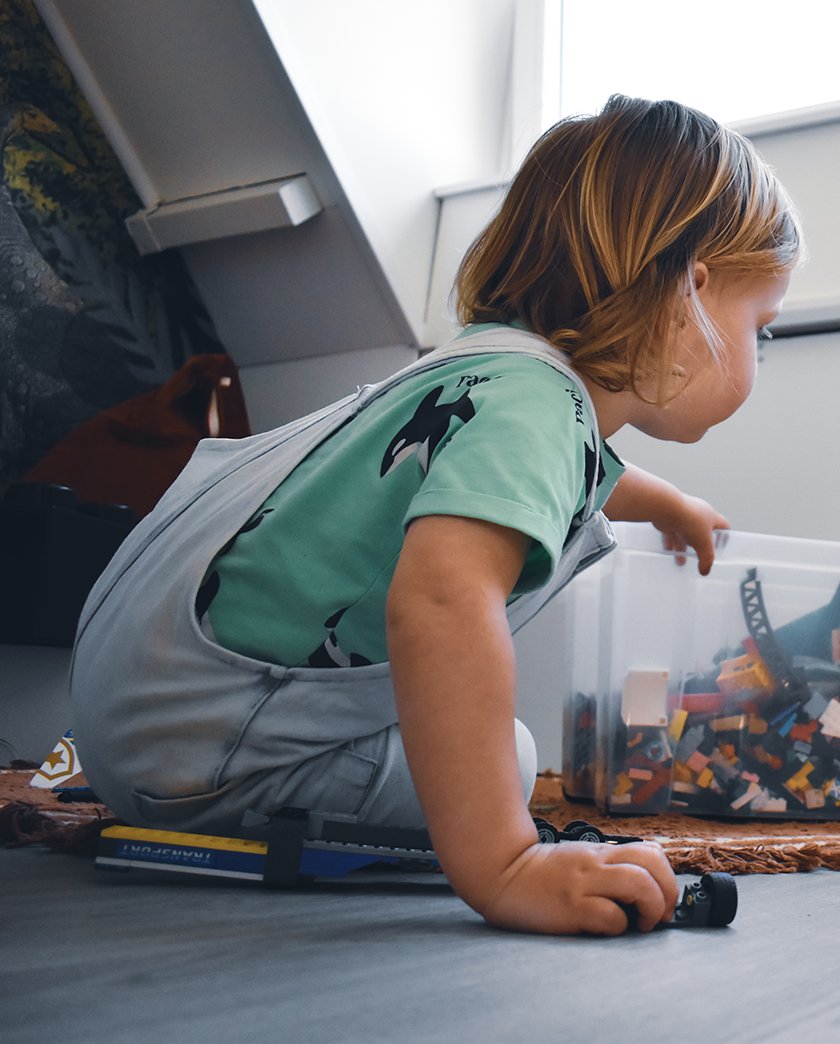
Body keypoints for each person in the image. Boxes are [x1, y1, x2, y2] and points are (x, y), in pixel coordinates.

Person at [72, 96, 802, 933]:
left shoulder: (488, 371)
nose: (761, 348)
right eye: (763, 326)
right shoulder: (538, 407)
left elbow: (554, 469)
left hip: (145, 714)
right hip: (204, 756)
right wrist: (505, 861)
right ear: (691, 295)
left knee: (484, 753)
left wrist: (660, 501)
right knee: (510, 762)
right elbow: (442, 602)